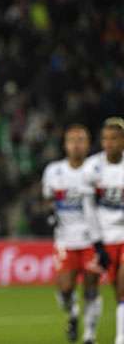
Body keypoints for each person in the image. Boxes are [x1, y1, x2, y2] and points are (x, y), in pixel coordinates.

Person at [42, 124, 107, 344]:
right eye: (72, 140)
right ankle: (73, 313)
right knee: (66, 289)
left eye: (81, 140)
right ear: (65, 145)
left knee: (91, 287)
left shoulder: (97, 169)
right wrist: (50, 214)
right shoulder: (53, 171)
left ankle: (90, 335)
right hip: (65, 240)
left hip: (91, 240)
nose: (76, 144)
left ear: (88, 144)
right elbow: (48, 200)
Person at [83, 117, 124, 344]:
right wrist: (97, 243)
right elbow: (88, 207)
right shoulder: (92, 167)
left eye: (115, 139)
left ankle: (120, 338)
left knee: (122, 288)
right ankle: (89, 334)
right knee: (90, 284)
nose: (109, 143)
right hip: (100, 237)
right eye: (106, 139)